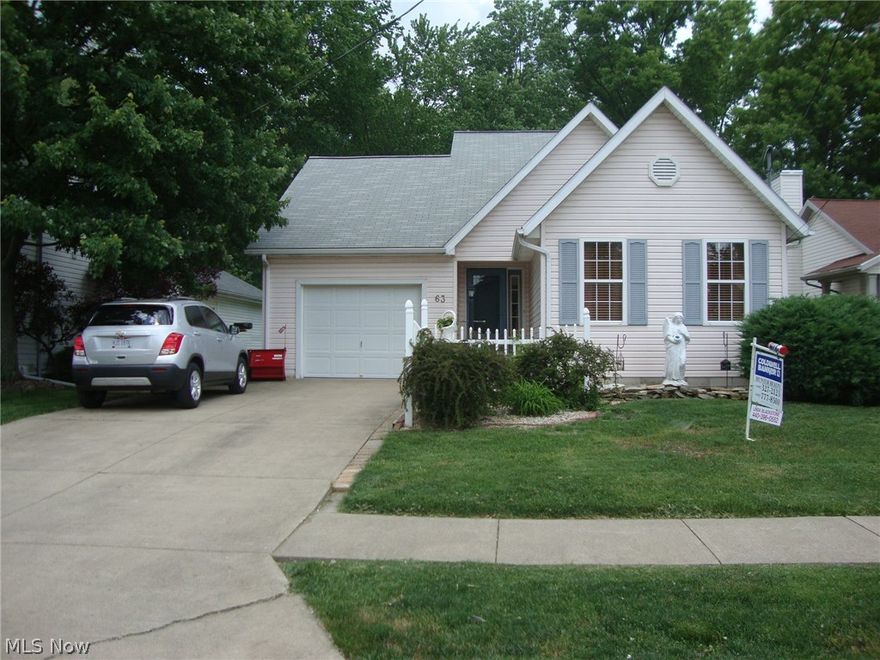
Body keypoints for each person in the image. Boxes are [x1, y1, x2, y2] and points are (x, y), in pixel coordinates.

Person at [663, 313, 690, 385]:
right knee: (673, 362)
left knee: (682, 362)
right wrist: (673, 341)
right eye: (677, 318)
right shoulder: (671, 326)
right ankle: (671, 378)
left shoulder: (683, 327)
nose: (679, 319)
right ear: (674, 319)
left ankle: (681, 378)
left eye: (680, 318)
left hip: (681, 347)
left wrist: (683, 333)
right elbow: (667, 336)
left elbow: (688, 338)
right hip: (673, 347)